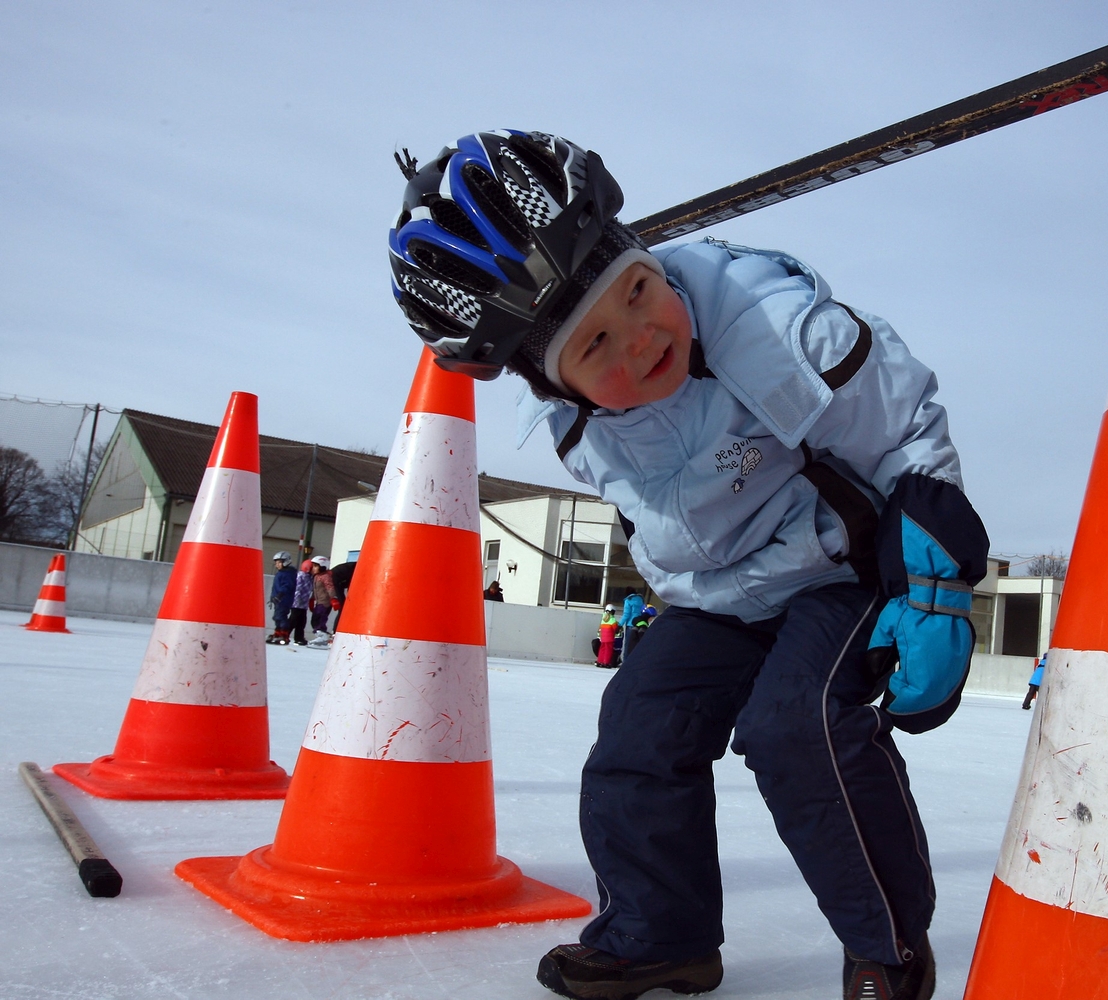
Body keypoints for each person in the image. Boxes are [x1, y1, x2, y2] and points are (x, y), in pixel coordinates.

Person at [388, 130, 987, 1000]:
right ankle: (659, 935)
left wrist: (934, 584)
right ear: (550, 383)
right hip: (723, 599)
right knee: (638, 726)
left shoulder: (773, 328)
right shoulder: (577, 429)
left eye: (637, 292)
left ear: (645, 257)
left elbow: (900, 427)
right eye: (594, 347)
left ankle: (886, 946)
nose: (637, 339)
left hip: (839, 566)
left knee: (796, 729)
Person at [266, 551, 296, 645]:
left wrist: (280, 595)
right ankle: (278, 632)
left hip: (284, 600)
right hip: (278, 600)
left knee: (281, 617)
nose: (277, 565)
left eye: (279, 562)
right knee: (277, 617)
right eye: (276, 563)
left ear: (285, 562)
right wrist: (273, 597)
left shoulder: (288, 574)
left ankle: (284, 634)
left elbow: (287, 586)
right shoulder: (281, 573)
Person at [309, 555, 335, 646]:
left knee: (320, 619)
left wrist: (333, 599)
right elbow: (315, 589)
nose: (313, 568)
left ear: (322, 566)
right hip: (319, 602)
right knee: (314, 620)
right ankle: (321, 636)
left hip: (325, 603)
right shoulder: (317, 576)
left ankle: (322, 636)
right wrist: (312, 599)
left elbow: (330, 588)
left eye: (315, 566)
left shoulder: (326, 576)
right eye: (313, 566)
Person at [288, 558, 314, 646]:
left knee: (302, 622)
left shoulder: (310, 577)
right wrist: (297, 599)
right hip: (296, 603)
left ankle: (299, 638)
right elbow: (298, 588)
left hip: (303, 604)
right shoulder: (301, 576)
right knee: (293, 620)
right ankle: (285, 634)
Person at [329, 560, 357, 632]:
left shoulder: (354, 566)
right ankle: (335, 631)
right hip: (335, 581)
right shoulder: (357, 568)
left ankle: (336, 630)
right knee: (342, 608)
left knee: (342, 607)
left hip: (337, 580)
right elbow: (352, 584)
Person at [619, 590, 645, 662]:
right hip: (640, 624)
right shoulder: (641, 599)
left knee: (628, 647)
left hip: (630, 625)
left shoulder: (628, 600)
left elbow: (626, 614)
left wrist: (619, 625)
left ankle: (625, 663)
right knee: (636, 646)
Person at [595, 604, 620, 669]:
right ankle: (606, 662)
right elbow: (616, 629)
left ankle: (599, 661)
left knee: (602, 649)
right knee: (608, 650)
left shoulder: (603, 619)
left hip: (603, 638)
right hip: (609, 638)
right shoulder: (612, 620)